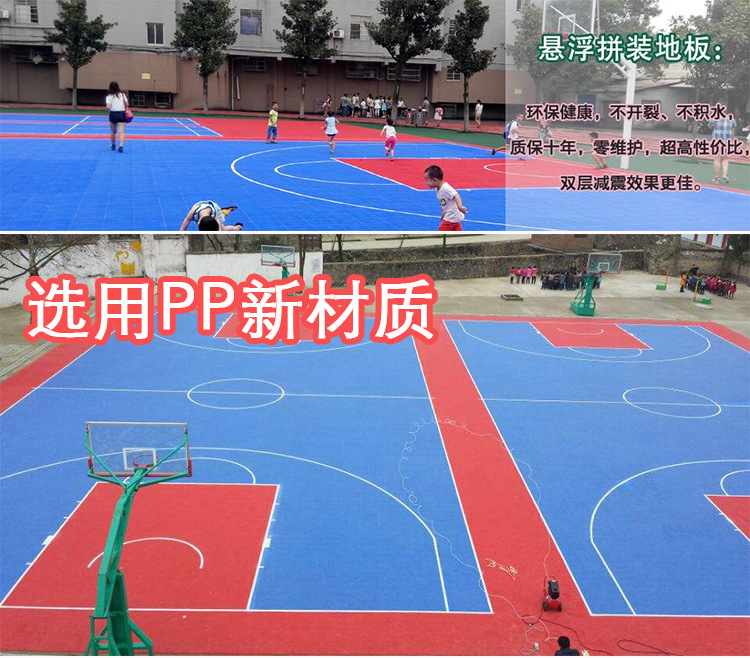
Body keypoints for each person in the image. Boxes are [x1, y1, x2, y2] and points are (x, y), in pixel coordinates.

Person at [424, 165, 467, 231]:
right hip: (453, 216)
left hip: (451, 216)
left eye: (427, 181)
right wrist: (443, 212)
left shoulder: (446, 188)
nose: (426, 183)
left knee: (441, 231)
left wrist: (460, 207)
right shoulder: (437, 189)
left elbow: (456, 195)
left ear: (435, 180)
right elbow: (443, 202)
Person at [708, 114, 736, 184]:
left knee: (717, 158)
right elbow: (733, 128)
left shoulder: (714, 118)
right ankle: (725, 174)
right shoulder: (731, 119)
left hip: (717, 140)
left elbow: (710, 126)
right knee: (725, 158)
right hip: (727, 140)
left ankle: (717, 178)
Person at [178, 201, 243, 231]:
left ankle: (238, 228)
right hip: (202, 206)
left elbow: (219, 231)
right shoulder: (193, 212)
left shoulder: (214, 214)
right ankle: (226, 210)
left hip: (216, 208)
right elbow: (185, 222)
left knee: (223, 229)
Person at [106, 81, 129, 153]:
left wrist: (111, 106)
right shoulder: (122, 95)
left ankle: (113, 144)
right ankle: (121, 146)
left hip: (113, 114)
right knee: (121, 132)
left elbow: (108, 106)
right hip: (121, 114)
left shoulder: (109, 96)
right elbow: (127, 104)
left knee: (113, 131)